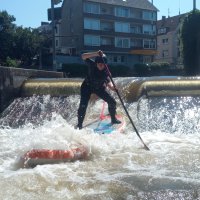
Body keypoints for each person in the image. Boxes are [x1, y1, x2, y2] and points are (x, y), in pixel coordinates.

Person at [76, 50, 121, 129]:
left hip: (99, 88)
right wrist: (96, 53)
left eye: (102, 64)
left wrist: (112, 88)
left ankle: (113, 119)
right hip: (87, 87)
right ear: (96, 63)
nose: (101, 66)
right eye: (99, 64)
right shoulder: (91, 64)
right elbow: (83, 56)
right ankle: (79, 125)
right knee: (83, 106)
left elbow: (108, 81)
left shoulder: (106, 71)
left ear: (105, 64)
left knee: (112, 102)